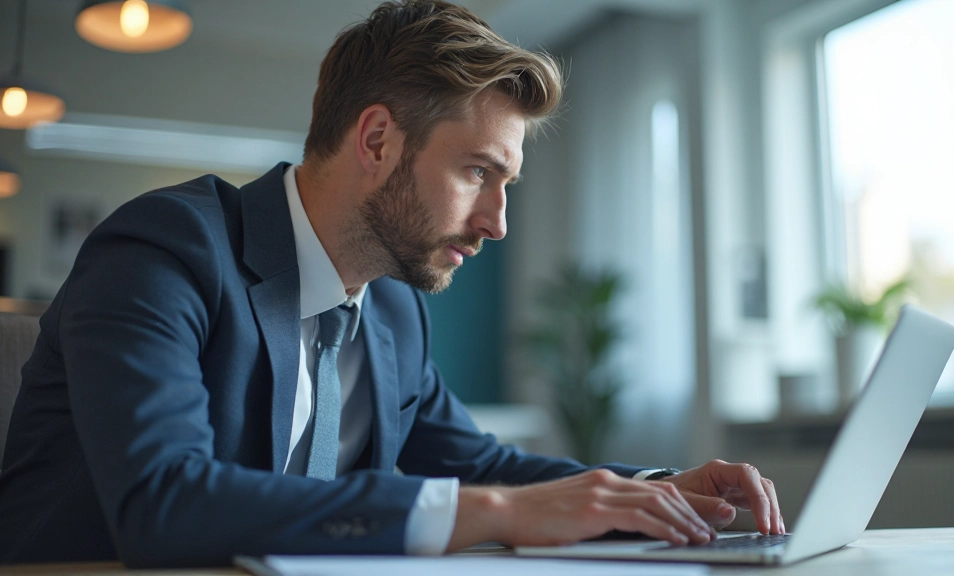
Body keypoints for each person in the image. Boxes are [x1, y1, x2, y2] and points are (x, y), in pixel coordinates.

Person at [0, 0, 782, 568]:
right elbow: (163, 502)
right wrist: (500, 514)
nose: (497, 222)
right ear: (376, 138)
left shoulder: (393, 311)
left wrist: (655, 491)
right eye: (479, 172)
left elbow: (478, 467)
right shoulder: (166, 250)